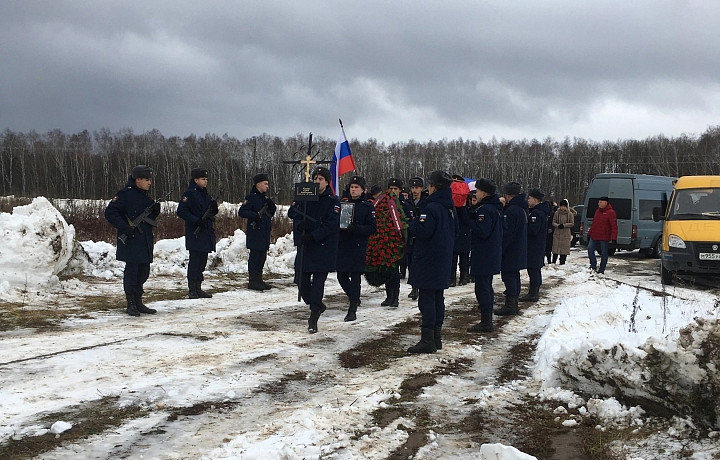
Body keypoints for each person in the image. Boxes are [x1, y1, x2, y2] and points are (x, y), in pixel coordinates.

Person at [407, 170, 456, 354]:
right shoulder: (449, 207)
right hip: (442, 258)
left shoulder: (431, 207)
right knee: (437, 298)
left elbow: (424, 231)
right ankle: (436, 337)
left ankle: (428, 340)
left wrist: (412, 226)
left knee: (427, 300)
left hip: (428, 259)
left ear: (434, 187)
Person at [288, 167, 340, 333]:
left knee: (318, 285)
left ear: (327, 182)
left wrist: (313, 235)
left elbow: (331, 225)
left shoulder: (333, 201)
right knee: (300, 281)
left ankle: (313, 316)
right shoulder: (305, 196)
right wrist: (299, 226)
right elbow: (292, 213)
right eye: (315, 178)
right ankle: (316, 304)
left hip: (322, 247)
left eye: (320, 179)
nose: (317, 182)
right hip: (306, 247)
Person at [104, 165, 161, 317]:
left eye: (150, 180)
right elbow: (110, 212)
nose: (150, 183)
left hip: (144, 239)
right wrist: (124, 227)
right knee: (132, 271)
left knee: (144, 271)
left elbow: (148, 219)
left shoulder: (146, 196)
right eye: (147, 180)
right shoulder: (124, 194)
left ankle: (138, 301)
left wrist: (155, 212)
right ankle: (131, 303)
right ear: (138, 179)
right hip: (131, 239)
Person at [336, 175, 377, 321]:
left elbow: (372, 228)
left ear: (363, 190)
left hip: (358, 245)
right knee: (341, 275)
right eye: (352, 187)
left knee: (355, 277)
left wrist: (357, 229)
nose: (353, 190)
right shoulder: (343, 204)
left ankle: (352, 308)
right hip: (343, 244)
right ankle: (353, 296)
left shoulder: (367, 207)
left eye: (356, 187)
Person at [467, 179, 503, 333]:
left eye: (478, 191)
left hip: (484, 255)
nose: (476, 193)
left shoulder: (485, 210)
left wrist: (471, 222)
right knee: (486, 287)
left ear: (484, 192)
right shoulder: (493, 208)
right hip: (490, 253)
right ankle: (486, 320)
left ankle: (486, 322)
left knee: (482, 288)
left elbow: (483, 232)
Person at [176, 168, 218, 299]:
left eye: (206, 179)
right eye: (203, 179)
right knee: (195, 261)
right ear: (196, 180)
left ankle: (198, 287)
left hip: (205, 232)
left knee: (202, 261)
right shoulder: (189, 194)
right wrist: (196, 220)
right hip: (195, 232)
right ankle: (192, 289)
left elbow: (209, 212)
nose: (205, 181)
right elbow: (181, 211)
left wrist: (213, 209)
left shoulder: (205, 194)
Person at [238, 173, 277, 291]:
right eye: (265, 184)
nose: (267, 187)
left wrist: (272, 207)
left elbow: (269, 215)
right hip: (255, 232)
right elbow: (242, 212)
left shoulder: (264, 198)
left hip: (264, 232)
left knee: (262, 257)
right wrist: (255, 215)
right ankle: (253, 281)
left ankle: (259, 279)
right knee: (255, 257)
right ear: (258, 184)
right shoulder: (251, 197)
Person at [495, 181, 527, 316]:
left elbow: (507, 233)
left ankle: (510, 305)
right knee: (514, 276)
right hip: (518, 248)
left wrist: (501, 248)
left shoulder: (512, 211)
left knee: (509, 277)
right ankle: (513, 304)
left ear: (508, 195)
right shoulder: (522, 209)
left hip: (511, 250)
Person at [519, 188, 550, 303]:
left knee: (534, 269)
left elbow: (533, 230)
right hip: (538, 245)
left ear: (535, 199)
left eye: (530, 198)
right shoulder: (540, 211)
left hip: (535, 246)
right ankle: (533, 292)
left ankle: (533, 293)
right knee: (534, 269)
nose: (528, 200)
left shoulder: (536, 213)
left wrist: (526, 226)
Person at [405, 176, 427, 300]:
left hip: (421, 236)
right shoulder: (408, 202)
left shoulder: (426, 202)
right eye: (412, 187)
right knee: (411, 263)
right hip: (410, 237)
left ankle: (419, 286)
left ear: (421, 188)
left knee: (420, 263)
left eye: (417, 187)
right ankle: (414, 287)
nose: (414, 190)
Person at [450, 175, 472, 287]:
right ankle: (452, 278)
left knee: (464, 259)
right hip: (456, 235)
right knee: (453, 259)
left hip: (464, 234)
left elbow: (468, 220)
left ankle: (464, 276)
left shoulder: (468, 206)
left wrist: (463, 207)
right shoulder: (451, 206)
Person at [587, 196, 618, 274]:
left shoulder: (611, 212)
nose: (599, 204)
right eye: (599, 202)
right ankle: (593, 266)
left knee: (604, 253)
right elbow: (594, 224)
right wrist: (589, 233)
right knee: (590, 249)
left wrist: (614, 238)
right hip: (594, 235)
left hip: (604, 236)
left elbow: (614, 226)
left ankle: (602, 269)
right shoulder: (597, 211)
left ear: (605, 203)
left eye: (601, 202)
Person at [551, 199, 576, 264]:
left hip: (566, 233)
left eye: (564, 206)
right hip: (557, 233)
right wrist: (558, 225)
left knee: (564, 249)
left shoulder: (570, 214)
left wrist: (564, 225)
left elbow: (572, 223)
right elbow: (553, 222)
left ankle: (562, 262)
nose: (563, 208)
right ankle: (553, 261)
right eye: (561, 206)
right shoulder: (557, 213)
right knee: (555, 248)